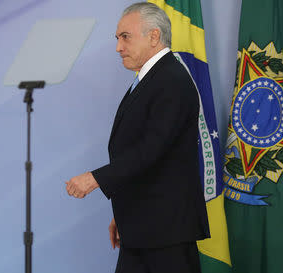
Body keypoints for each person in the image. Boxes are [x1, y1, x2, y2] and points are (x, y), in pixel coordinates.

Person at [65, 2, 210, 272]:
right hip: (144, 226)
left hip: (167, 234)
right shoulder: (153, 77)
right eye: (117, 38)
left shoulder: (172, 79)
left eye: (125, 37)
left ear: (154, 36)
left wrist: (95, 178)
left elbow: (151, 149)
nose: (118, 47)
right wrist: (125, 214)